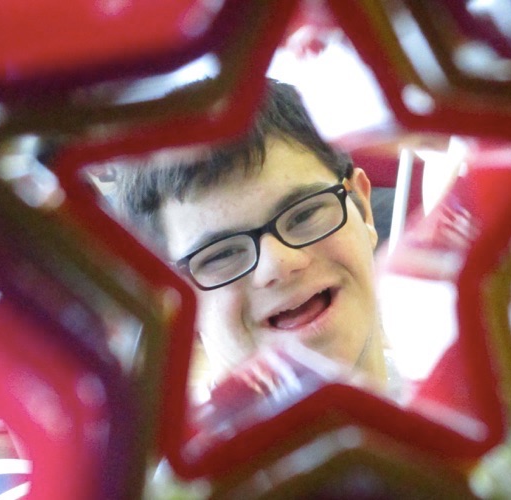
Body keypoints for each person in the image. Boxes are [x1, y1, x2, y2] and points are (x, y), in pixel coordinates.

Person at [114, 78, 393, 401]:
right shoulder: (156, 453)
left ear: (363, 207)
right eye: (221, 254)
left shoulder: (457, 408)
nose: (279, 263)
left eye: (304, 215)